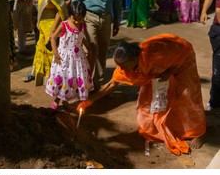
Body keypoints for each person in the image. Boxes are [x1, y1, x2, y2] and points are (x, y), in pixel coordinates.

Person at [77, 34, 207, 156]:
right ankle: (163, 125)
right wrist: (89, 101)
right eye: (120, 66)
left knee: (187, 95)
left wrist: (168, 72)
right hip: (160, 70)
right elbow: (111, 84)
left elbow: (177, 58)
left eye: (124, 66)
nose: (122, 70)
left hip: (182, 57)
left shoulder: (154, 55)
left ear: (134, 60)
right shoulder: (127, 65)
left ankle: (198, 132)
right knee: (151, 99)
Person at [72, 0, 122, 91]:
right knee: (91, 50)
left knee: (102, 52)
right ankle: (85, 83)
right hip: (89, 17)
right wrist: (74, 18)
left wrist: (117, 20)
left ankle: (97, 83)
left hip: (106, 18)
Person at [23, 0, 68, 85]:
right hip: (44, 26)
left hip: (51, 26)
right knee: (42, 52)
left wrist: (54, 30)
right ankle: (48, 80)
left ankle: (57, 83)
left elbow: (61, 10)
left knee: (51, 54)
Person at [46, 1, 93, 109]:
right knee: (64, 78)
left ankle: (67, 100)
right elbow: (53, 37)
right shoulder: (64, 25)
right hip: (64, 59)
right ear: (69, 15)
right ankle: (57, 100)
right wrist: (55, 53)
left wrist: (89, 48)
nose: (77, 21)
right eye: (75, 18)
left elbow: (83, 38)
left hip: (78, 59)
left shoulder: (82, 26)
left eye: (80, 19)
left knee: (75, 79)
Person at [200, 0, 220, 117]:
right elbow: (217, 7)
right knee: (218, 70)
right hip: (218, 30)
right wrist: (203, 11)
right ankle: (215, 103)